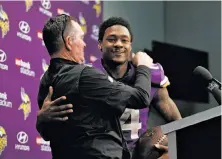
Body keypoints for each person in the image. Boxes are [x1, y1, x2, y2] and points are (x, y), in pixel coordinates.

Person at [37, 16, 182, 158]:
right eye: (112, 39)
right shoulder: (86, 75)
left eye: (124, 40)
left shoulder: (152, 75)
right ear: (100, 44)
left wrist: (176, 147)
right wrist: (42, 120)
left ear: (130, 45)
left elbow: (178, 121)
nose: (118, 44)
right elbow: (140, 97)